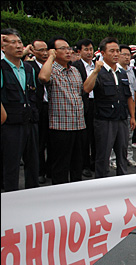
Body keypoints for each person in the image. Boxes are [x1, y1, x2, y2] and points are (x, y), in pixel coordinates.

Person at [83, 37, 135, 178]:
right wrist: (95, 71)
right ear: (103, 53)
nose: (116, 54)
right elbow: (86, 89)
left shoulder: (122, 73)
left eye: (117, 51)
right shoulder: (98, 72)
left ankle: (122, 182)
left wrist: (133, 116)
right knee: (103, 155)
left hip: (122, 118)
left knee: (122, 153)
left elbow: (128, 96)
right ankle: (102, 184)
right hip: (104, 120)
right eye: (112, 51)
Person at [39, 35, 85, 185]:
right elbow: (43, 78)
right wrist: (50, 58)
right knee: (61, 166)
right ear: (53, 51)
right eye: (63, 48)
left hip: (78, 124)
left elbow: (82, 92)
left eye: (69, 48)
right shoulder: (51, 70)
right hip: (60, 126)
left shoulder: (75, 71)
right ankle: (60, 199)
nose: (68, 51)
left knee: (77, 165)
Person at [1, 28, 39, 191]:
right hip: (10, 124)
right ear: (3, 47)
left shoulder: (29, 68)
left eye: (20, 42)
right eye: (12, 42)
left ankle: (33, 198)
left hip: (30, 122)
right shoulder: (2, 68)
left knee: (33, 164)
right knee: (11, 166)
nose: (18, 46)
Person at [112, 44, 136, 168]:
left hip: (129, 106)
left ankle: (128, 157)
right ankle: (113, 159)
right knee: (114, 135)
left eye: (129, 55)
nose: (127, 57)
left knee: (129, 134)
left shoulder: (131, 71)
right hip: (117, 106)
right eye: (124, 54)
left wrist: (133, 112)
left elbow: (133, 91)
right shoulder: (114, 69)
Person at [72, 38, 96, 178]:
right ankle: (84, 165)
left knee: (96, 136)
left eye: (91, 49)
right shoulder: (75, 66)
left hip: (96, 104)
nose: (89, 52)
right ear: (79, 51)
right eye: (86, 50)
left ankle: (94, 161)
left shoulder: (97, 65)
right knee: (84, 137)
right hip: (83, 103)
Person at [29, 39, 51, 184]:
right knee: (39, 142)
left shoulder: (52, 65)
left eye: (46, 50)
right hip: (38, 107)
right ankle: (39, 171)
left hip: (52, 106)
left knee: (52, 141)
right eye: (40, 50)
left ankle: (50, 169)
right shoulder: (29, 66)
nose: (44, 53)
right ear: (32, 51)